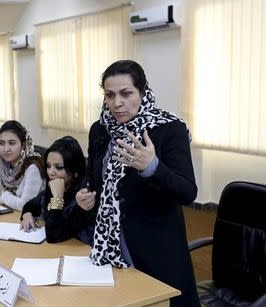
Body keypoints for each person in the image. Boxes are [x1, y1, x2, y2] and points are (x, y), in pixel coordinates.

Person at [78, 60, 199, 306]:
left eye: (126, 93)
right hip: (109, 242)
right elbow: (93, 175)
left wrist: (152, 167)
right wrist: (87, 193)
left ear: (142, 93)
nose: (117, 103)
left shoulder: (169, 129)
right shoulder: (100, 130)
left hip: (155, 247)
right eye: (109, 95)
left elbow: (187, 191)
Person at [20, 136, 94, 245]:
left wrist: (57, 197)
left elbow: (53, 235)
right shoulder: (54, 185)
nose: (51, 172)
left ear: (75, 171)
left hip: (80, 253)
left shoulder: (83, 196)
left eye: (58, 167)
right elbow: (31, 204)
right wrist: (27, 214)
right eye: (48, 166)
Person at [0, 120, 44, 212]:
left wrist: (4, 195)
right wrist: (13, 200)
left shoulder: (33, 167)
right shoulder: (5, 165)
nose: (6, 149)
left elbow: (26, 206)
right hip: (12, 215)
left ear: (23, 145)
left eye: (12, 143)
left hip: (34, 220)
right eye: (2, 143)